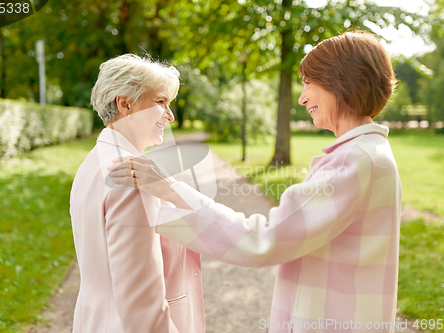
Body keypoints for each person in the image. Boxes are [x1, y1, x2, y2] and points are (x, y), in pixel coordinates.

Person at [109, 31, 402, 333]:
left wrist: (163, 202)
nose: (302, 98)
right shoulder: (368, 153)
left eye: (308, 83)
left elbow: (264, 240)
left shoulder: (353, 161)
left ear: (342, 81)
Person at [69, 54, 204, 333]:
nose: (170, 115)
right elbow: (143, 306)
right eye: (160, 102)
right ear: (125, 104)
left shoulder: (92, 162)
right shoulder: (131, 176)